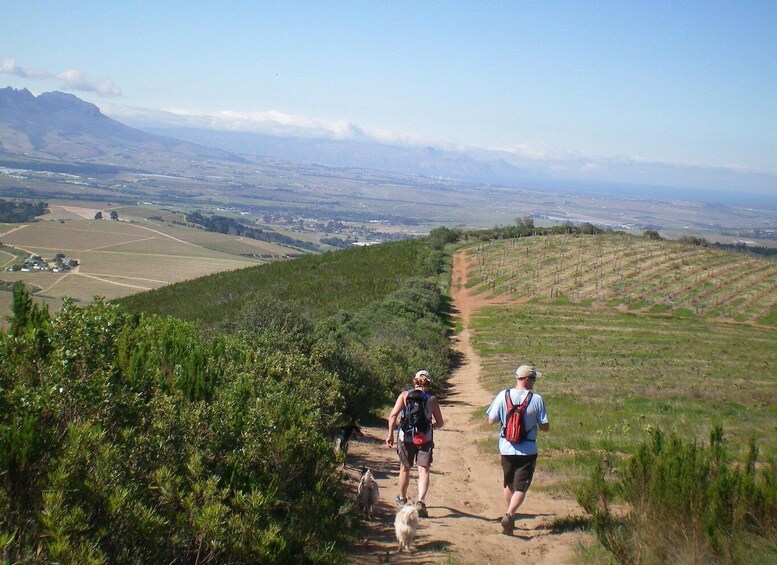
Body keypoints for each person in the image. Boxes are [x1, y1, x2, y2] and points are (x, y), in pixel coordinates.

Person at [486, 364, 549, 535]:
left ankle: (510, 518)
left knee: (509, 483)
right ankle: (510, 514)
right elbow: (544, 427)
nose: (534, 382)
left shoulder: (503, 395)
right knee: (521, 487)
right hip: (527, 449)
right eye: (533, 379)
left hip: (506, 448)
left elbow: (491, 420)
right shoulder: (537, 399)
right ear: (527, 380)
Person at [386, 369, 444, 518]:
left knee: (404, 468)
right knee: (423, 470)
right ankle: (420, 502)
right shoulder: (432, 399)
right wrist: (432, 427)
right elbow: (440, 422)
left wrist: (390, 435)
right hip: (425, 438)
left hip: (405, 437)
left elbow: (393, 415)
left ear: (415, 381)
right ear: (429, 383)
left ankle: (402, 499)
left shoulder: (405, 395)